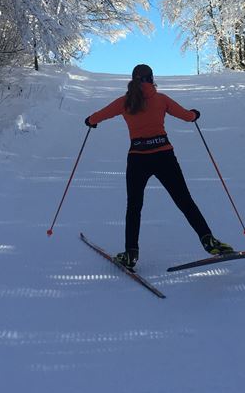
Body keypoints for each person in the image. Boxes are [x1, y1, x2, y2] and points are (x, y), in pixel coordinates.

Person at [84, 63, 233, 269]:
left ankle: (131, 254)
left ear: (133, 79)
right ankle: (208, 240)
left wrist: (91, 121)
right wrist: (194, 114)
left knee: (134, 206)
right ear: (152, 79)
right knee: (184, 200)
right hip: (164, 156)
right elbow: (187, 116)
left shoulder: (125, 102)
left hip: (137, 159)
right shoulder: (162, 99)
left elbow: (98, 116)